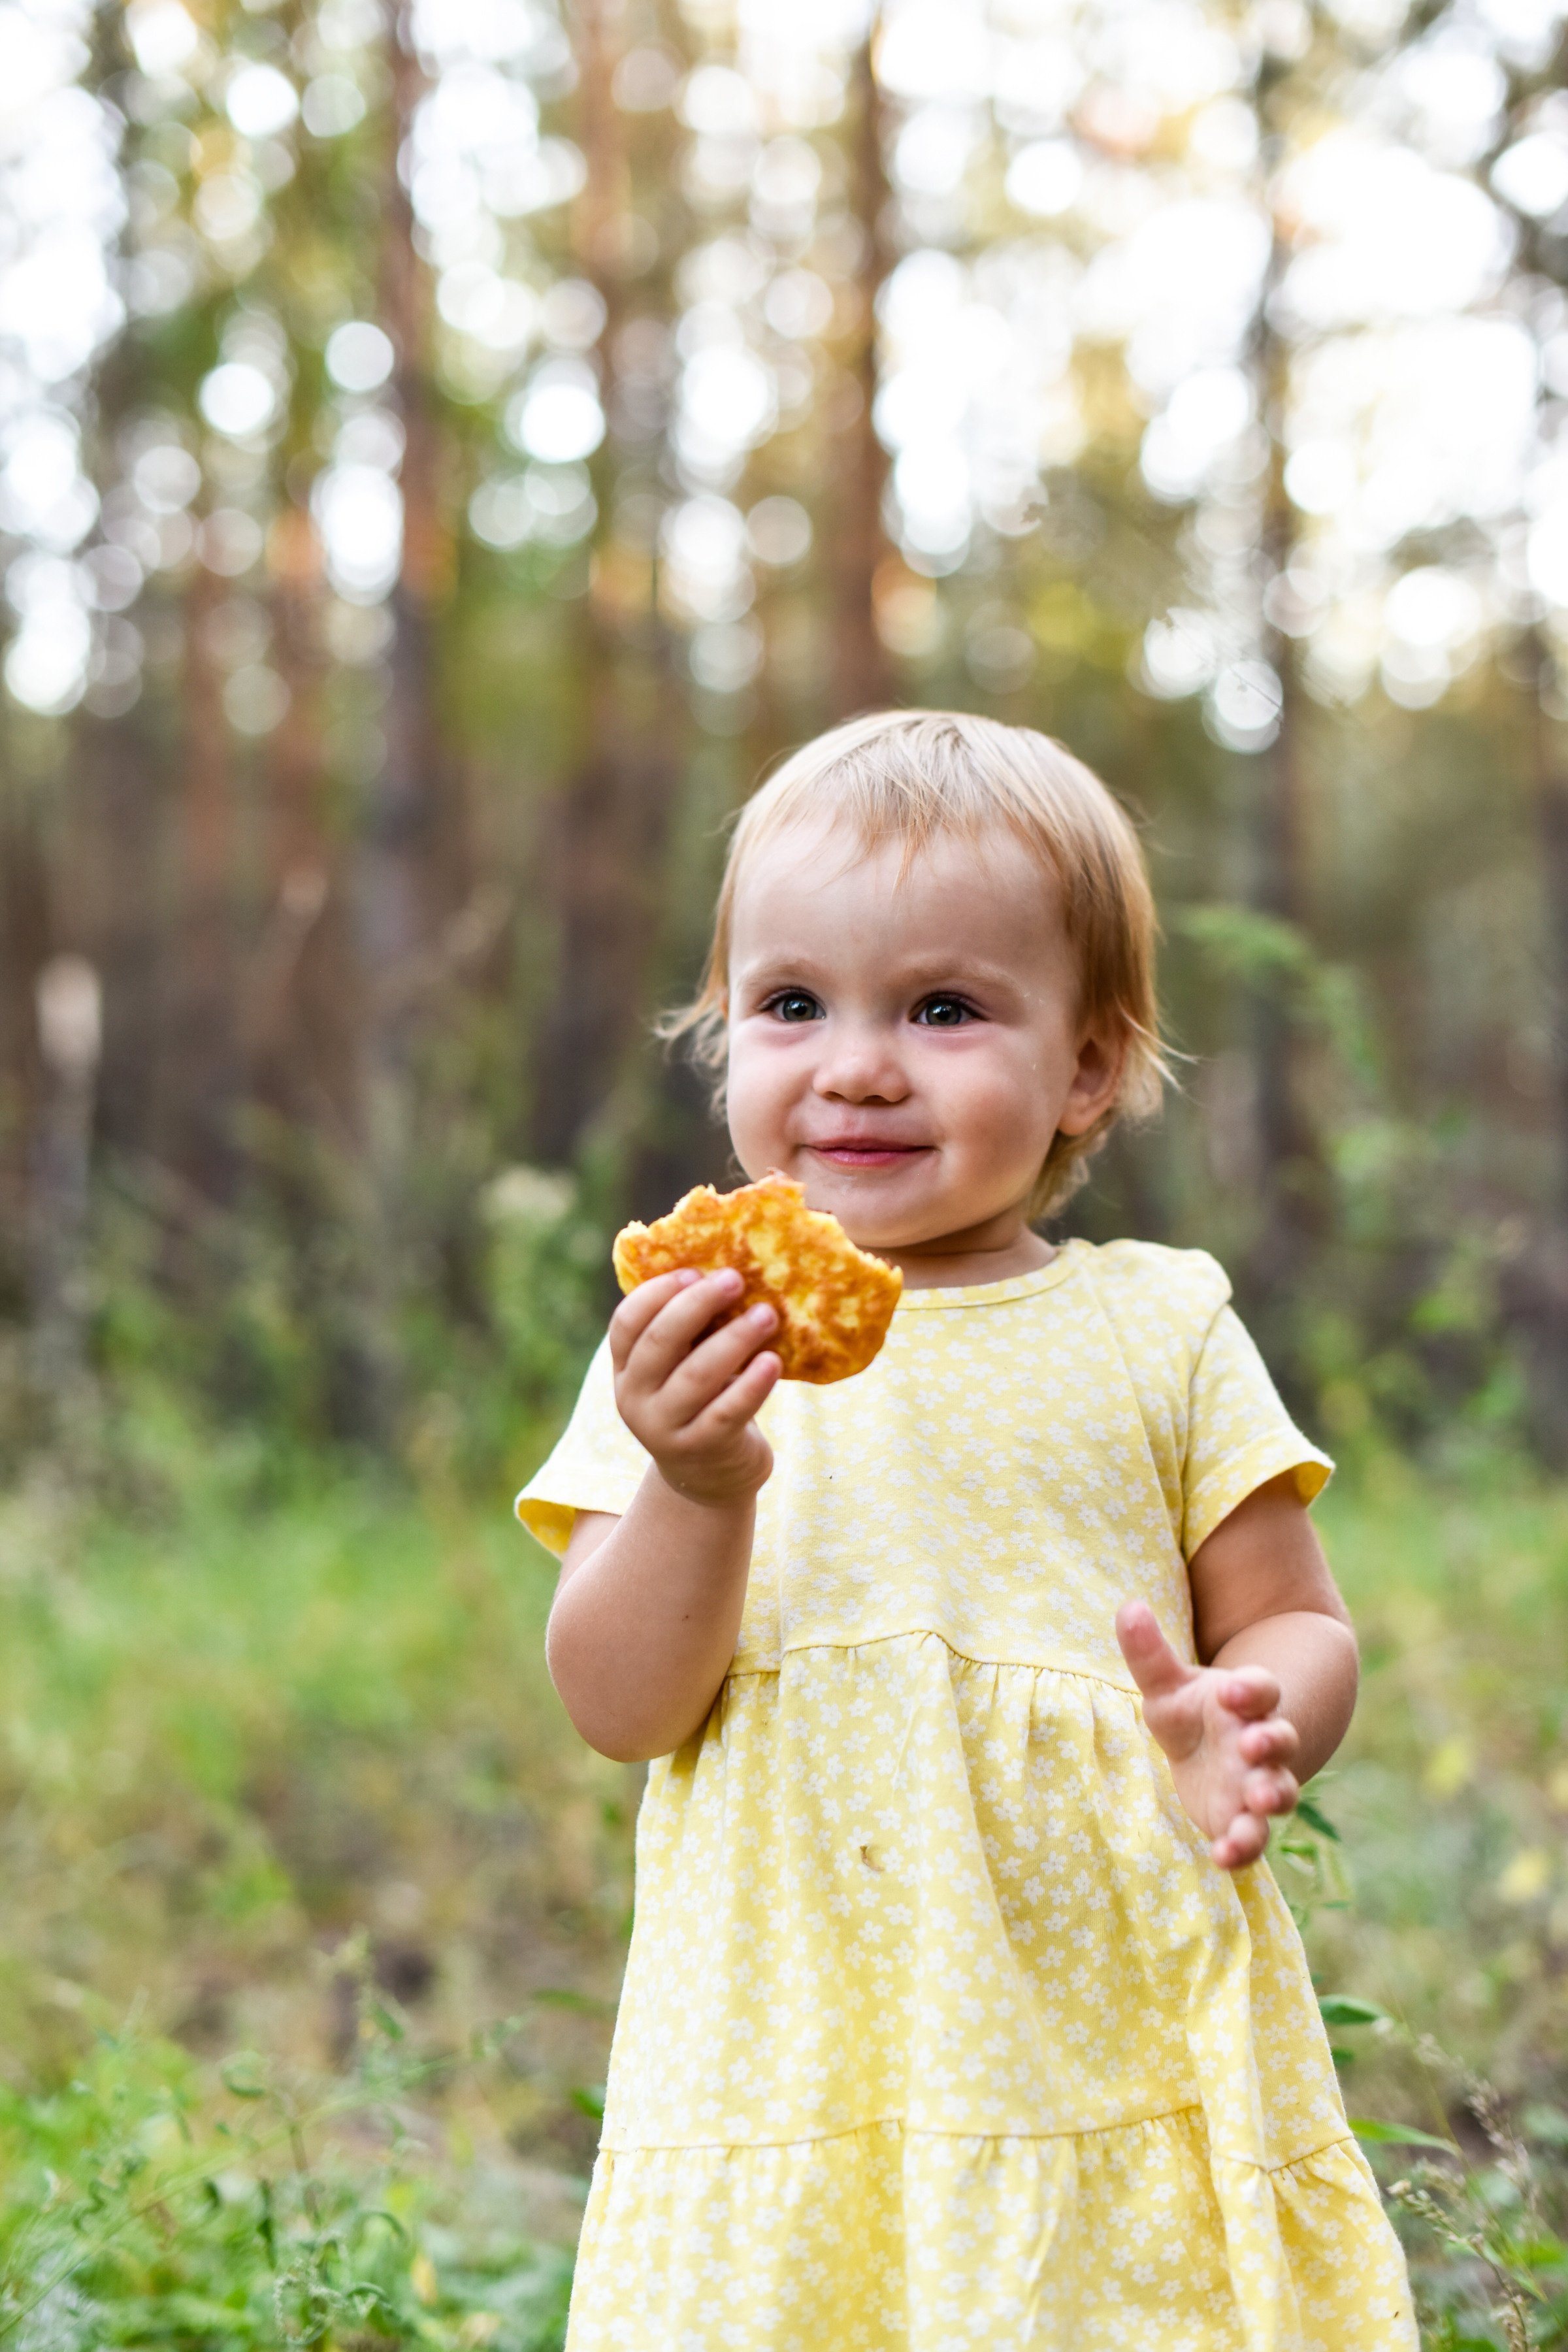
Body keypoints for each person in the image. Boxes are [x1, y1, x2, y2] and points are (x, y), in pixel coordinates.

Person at [516, 711, 1416, 2349]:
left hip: (1090, 2019)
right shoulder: (692, 1341)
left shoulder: (1162, 1328)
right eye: (792, 1004)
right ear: (729, 1041)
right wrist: (698, 1484)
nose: (857, 1062)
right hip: (789, 2039)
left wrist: (1254, 1715)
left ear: (1085, 1066)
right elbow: (618, 1704)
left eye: (942, 1008)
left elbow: (1297, 1619)